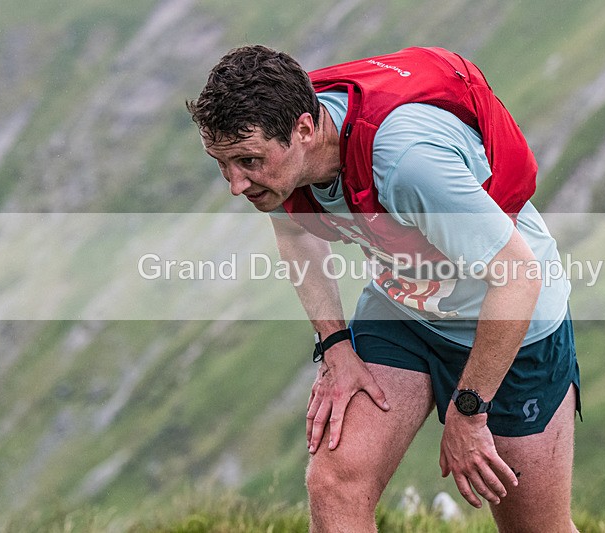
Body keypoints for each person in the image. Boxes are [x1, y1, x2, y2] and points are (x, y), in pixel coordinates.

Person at [187, 44, 581, 532]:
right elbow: (293, 228)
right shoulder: (285, 159)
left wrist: (470, 409)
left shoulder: (407, 164)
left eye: (248, 160)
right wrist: (335, 346)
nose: (235, 184)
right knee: (335, 485)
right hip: (403, 311)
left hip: (510, 323)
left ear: (304, 131)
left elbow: (518, 276)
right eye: (222, 163)